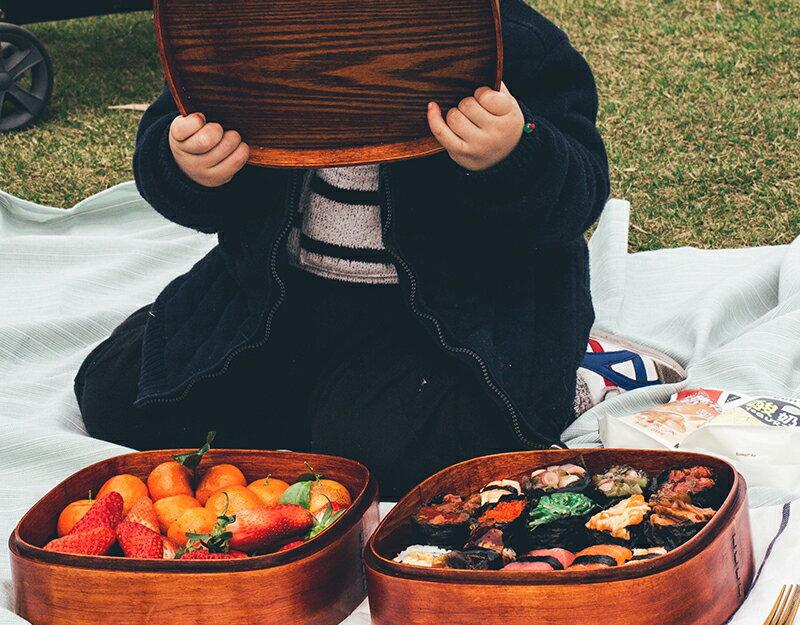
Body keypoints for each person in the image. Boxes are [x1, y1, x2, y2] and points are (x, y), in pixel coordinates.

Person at [74, 0, 684, 498]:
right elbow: (177, 166)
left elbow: (578, 196)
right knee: (115, 396)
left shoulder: (512, 41)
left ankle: (572, 379)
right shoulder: (243, 33)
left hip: (451, 321)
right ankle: (308, 404)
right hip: (279, 299)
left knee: (385, 458)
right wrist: (186, 163)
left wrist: (514, 150)